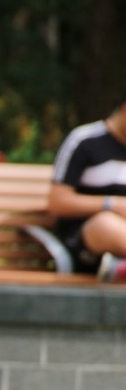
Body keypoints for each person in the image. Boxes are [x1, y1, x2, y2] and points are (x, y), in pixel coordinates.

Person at [48, 95, 126, 281]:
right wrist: (112, 204)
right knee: (105, 224)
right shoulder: (84, 140)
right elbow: (57, 202)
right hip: (85, 241)